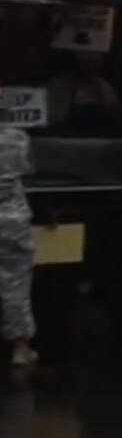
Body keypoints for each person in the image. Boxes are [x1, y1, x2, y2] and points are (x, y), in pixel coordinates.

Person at [0, 127, 38, 369]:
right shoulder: (17, 138)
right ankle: (21, 348)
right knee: (16, 283)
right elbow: (29, 170)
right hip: (11, 218)